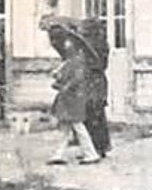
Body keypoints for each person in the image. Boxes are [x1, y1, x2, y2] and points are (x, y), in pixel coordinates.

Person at [47, 24, 100, 165]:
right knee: (66, 126)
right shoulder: (69, 61)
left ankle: (91, 154)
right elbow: (67, 75)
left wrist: (63, 85)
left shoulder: (77, 60)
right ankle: (58, 154)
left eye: (67, 45)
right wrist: (58, 76)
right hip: (69, 96)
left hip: (74, 96)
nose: (64, 47)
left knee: (77, 125)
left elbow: (77, 79)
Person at [81, 16, 111, 157]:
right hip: (98, 81)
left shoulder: (91, 45)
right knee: (97, 115)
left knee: (91, 114)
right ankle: (99, 147)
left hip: (92, 81)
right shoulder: (102, 43)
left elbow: (96, 64)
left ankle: (95, 148)